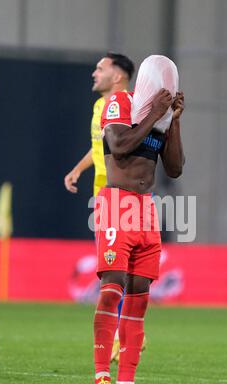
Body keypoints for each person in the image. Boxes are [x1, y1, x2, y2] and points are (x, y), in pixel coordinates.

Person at [93, 55, 185, 384]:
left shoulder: (158, 115)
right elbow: (119, 146)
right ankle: (101, 379)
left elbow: (174, 169)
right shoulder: (119, 103)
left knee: (140, 296)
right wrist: (153, 115)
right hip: (117, 204)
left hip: (145, 209)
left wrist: (173, 120)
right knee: (111, 290)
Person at [64, 53, 138, 361]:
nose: (94, 73)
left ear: (118, 76)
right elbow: (99, 146)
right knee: (111, 269)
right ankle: (125, 333)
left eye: (100, 68)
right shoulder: (99, 106)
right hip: (102, 193)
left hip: (123, 193)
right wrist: (79, 169)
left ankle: (125, 334)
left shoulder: (130, 104)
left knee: (117, 269)